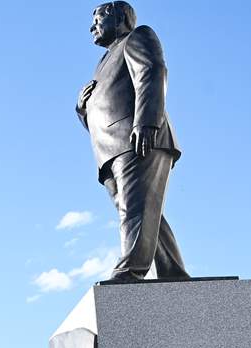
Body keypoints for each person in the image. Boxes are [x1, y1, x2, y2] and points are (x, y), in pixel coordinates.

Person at [76, 1, 188, 283]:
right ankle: (172, 270)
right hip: (110, 149)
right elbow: (102, 109)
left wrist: (147, 121)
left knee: (135, 207)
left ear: (120, 17)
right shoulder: (103, 61)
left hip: (137, 138)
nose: (92, 26)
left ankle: (131, 269)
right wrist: (82, 106)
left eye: (99, 18)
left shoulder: (137, 37)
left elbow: (152, 72)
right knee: (145, 210)